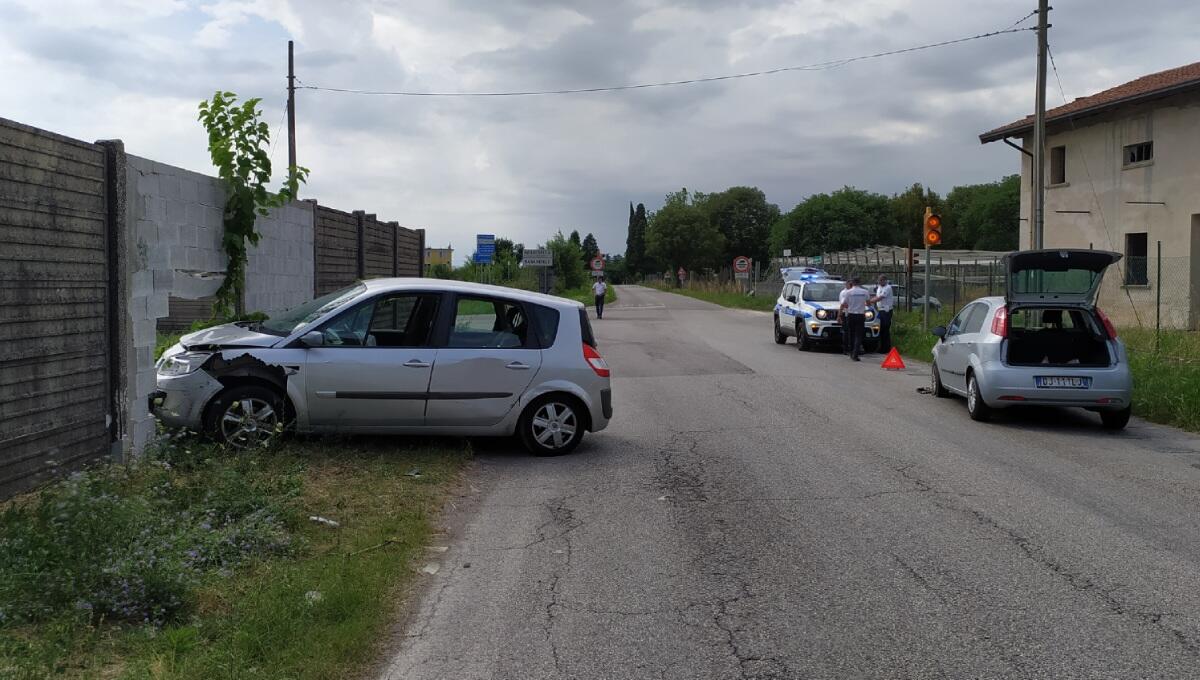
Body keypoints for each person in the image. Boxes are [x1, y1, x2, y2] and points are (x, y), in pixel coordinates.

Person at [842, 277, 871, 361]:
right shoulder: (865, 292)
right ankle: (855, 354)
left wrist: (851, 305)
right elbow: (868, 303)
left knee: (851, 334)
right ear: (859, 283)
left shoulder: (848, 292)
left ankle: (851, 353)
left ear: (853, 283)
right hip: (860, 315)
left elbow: (844, 304)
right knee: (858, 335)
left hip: (851, 314)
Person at [868, 275, 895, 354]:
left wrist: (869, 301)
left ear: (885, 280)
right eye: (879, 280)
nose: (879, 282)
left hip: (886, 310)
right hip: (880, 310)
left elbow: (880, 298)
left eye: (881, 280)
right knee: (881, 329)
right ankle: (882, 347)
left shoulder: (887, 288)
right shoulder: (879, 287)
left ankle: (886, 348)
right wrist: (870, 299)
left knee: (885, 329)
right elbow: (876, 296)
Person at [838, 280, 853, 355]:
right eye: (850, 284)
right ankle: (846, 349)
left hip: (851, 313)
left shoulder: (851, 292)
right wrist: (839, 315)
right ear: (846, 284)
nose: (851, 286)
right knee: (846, 332)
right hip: (846, 313)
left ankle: (851, 348)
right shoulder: (844, 292)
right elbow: (843, 304)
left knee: (851, 332)